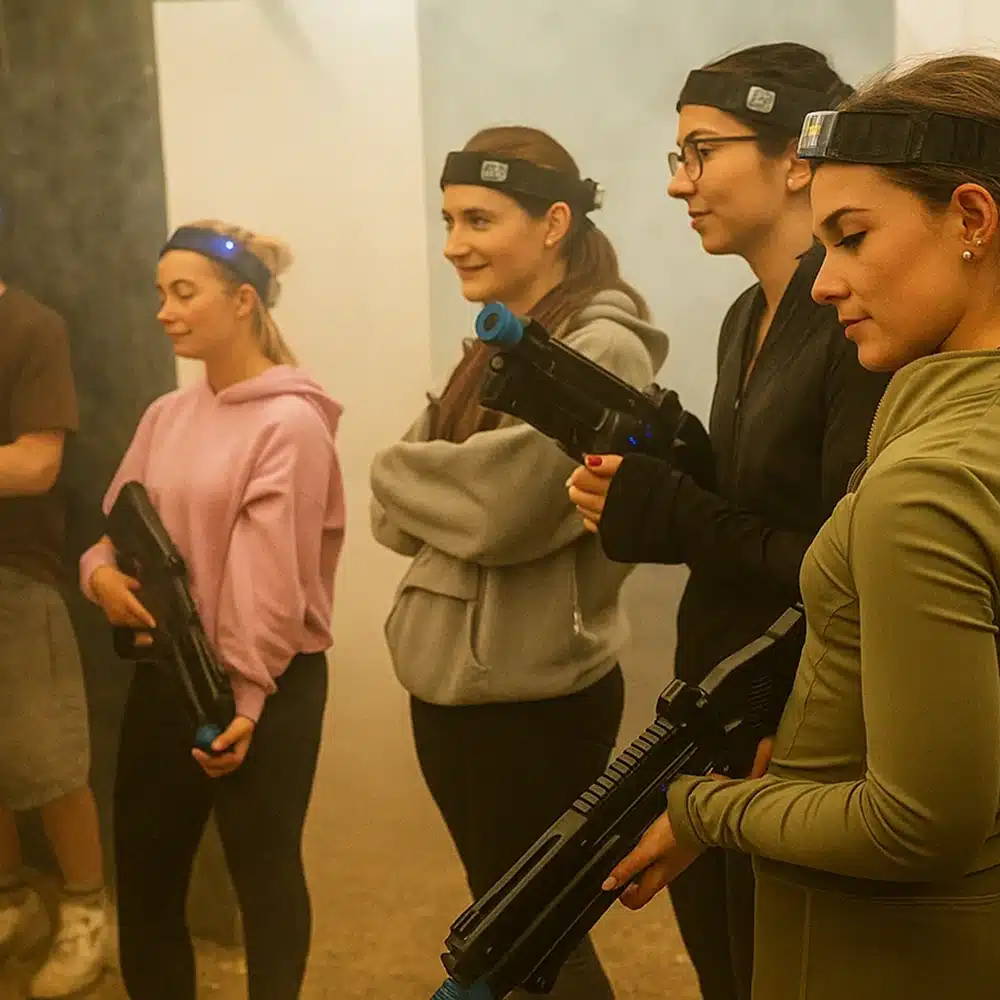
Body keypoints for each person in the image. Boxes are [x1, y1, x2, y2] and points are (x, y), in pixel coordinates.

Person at [593, 52, 1000, 1000]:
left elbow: (918, 822)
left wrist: (707, 808)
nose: (826, 281)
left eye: (853, 237)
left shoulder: (926, 484)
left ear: (973, 219)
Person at [566, 43, 890, 1000]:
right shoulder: (746, 314)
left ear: (797, 159)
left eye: (702, 151)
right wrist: (662, 496)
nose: (679, 184)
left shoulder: (851, 322)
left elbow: (844, 570)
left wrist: (675, 510)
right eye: (678, 156)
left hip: (790, 733)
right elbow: (753, 521)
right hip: (713, 702)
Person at [369, 126, 668, 999]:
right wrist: (436, 492)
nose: (455, 242)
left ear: (554, 223)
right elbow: (409, 519)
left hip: (533, 700)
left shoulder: (603, 350)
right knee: (504, 931)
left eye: (479, 218)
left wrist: (392, 467)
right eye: (448, 219)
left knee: (535, 935)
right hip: (456, 689)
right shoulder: (498, 344)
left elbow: (503, 509)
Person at [78, 221, 345, 1000]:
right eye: (161, 293)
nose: (164, 310)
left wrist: (247, 700)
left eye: (183, 293)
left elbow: (272, 586)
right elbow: (113, 530)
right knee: (149, 884)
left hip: (268, 690)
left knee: (263, 879)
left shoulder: (290, 423)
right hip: (168, 679)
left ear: (243, 301)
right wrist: (98, 577)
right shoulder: (167, 414)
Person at [0, 283, 109, 998]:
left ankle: (86, 912)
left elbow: (37, 466)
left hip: (14, 575)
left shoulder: (30, 327)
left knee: (51, 761)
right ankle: (10, 900)